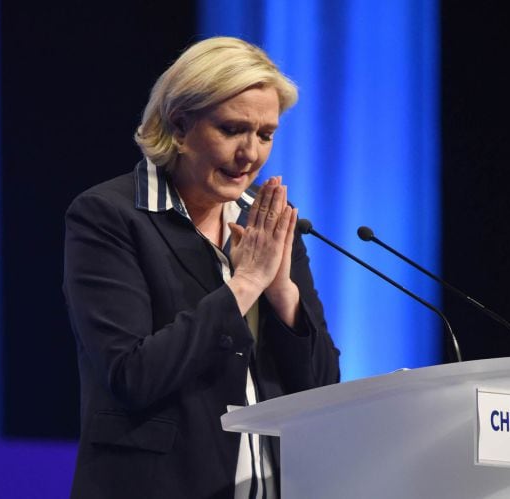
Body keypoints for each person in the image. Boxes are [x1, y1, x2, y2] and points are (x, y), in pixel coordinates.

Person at [62, 36, 341, 499]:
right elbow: (133, 376)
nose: (250, 154)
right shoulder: (109, 216)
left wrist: (282, 294)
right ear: (180, 126)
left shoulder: (265, 221)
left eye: (265, 134)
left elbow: (322, 391)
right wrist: (246, 283)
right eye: (233, 129)